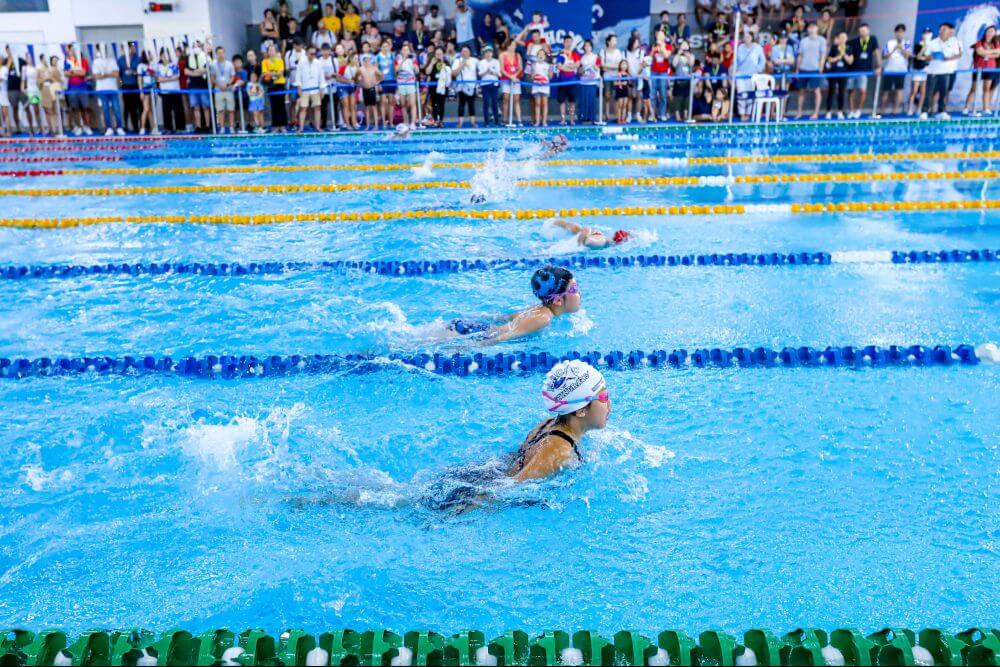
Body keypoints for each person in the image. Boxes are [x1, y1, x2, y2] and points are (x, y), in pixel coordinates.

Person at [417, 360, 610, 515]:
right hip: (470, 496)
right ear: (581, 410)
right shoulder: (559, 450)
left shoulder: (549, 423)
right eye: (603, 397)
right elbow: (511, 490)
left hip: (480, 475)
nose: (609, 404)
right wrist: (458, 513)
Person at [446, 265, 582, 344]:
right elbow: (502, 338)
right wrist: (464, 348)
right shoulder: (543, 318)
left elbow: (507, 317)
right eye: (574, 289)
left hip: (474, 328)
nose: (579, 293)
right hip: (477, 334)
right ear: (558, 300)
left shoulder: (539, 309)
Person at [921, 22, 961, 120]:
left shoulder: (953, 42)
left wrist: (947, 58)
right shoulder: (933, 42)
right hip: (933, 72)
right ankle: (924, 111)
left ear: (949, 31)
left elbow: (957, 54)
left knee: (944, 93)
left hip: (946, 72)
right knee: (929, 93)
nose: (941, 31)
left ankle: (941, 111)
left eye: (944, 29)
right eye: (940, 29)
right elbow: (925, 56)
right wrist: (933, 56)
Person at [846, 24, 880, 119]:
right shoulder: (854, 41)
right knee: (851, 90)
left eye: (864, 31)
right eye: (861, 31)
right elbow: (844, 44)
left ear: (868, 31)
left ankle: (859, 110)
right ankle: (851, 110)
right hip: (853, 70)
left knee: (862, 90)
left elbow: (877, 52)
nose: (862, 33)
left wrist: (878, 66)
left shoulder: (873, 39)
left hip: (865, 70)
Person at [794, 22, 827, 119]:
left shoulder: (821, 40)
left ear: (817, 29)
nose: (812, 29)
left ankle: (816, 113)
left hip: (815, 69)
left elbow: (823, 55)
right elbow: (800, 55)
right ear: (807, 29)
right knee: (801, 91)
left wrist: (820, 68)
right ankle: (799, 112)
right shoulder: (803, 41)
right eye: (810, 28)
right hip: (803, 69)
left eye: (814, 27)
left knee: (817, 91)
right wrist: (797, 69)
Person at [965, 26, 999, 116]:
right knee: (974, 89)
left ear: (995, 33)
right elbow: (980, 52)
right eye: (988, 31)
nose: (990, 33)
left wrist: (986, 52)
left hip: (990, 68)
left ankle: (986, 109)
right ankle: (966, 108)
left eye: (992, 31)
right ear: (985, 32)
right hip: (978, 69)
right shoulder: (979, 43)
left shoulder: (996, 43)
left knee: (986, 88)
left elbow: (998, 54)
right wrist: (992, 52)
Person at [92, 46, 124, 136]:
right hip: (101, 89)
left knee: (117, 109)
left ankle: (119, 127)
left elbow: (116, 74)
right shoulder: (96, 61)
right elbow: (96, 76)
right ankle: (109, 128)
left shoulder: (112, 60)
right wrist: (109, 74)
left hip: (113, 88)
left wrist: (103, 74)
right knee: (105, 109)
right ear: (97, 50)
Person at [881, 24, 911, 116]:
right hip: (889, 70)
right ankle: (882, 111)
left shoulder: (907, 43)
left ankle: (894, 111)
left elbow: (908, 56)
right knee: (885, 91)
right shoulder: (889, 43)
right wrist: (893, 50)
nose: (900, 34)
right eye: (898, 31)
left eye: (902, 32)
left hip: (901, 70)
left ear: (904, 33)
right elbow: (884, 56)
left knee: (899, 90)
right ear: (895, 33)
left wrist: (901, 49)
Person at [735, 31, 765, 120]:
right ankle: (742, 113)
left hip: (752, 75)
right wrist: (735, 70)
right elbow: (736, 60)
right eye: (745, 36)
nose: (746, 38)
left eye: (748, 36)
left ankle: (748, 113)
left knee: (750, 94)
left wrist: (758, 69)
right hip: (741, 74)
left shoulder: (758, 48)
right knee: (741, 94)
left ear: (752, 37)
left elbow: (762, 61)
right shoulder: (740, 47)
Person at [63, 45, 93, 135]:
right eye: (70, 50)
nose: (71, 52)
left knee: (86, 108)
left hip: (82, 87)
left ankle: (87, 126)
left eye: (72, 50)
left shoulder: (82, 60)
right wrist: (76, 71)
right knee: (75, 108)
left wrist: (72, 71)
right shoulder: (67, 60)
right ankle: (78, 127)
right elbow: (66, 73)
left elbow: (83, 73)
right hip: (72, 87)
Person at [156, 49, 185, 133]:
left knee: (178, 110)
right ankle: (168, 128)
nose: (164, 58)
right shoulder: (159, 67)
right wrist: (169, 78)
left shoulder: (174, 65)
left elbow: (176, 77)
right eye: (163, 56)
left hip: (175, 90)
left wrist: (165, 79)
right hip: (165, 92)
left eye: (166, 56)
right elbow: (159, 79)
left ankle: (180, 127)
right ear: (160, 57)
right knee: (166, 111)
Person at [825, 31, 852, 120]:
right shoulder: (834, 48)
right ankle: (828, 111)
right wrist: (838, 57)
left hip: (843, 73)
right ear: (838, 38)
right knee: (831, 91)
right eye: (841, 37)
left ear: (846, 39)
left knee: (842, 92)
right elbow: (829, 60)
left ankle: (840, 111)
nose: (843, 39)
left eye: (844, 37)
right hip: (833, 73)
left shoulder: (849, 48)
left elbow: (850, 61)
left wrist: (843, 53)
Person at [185, 42, 211, 132]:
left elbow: (206, 70)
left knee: (205, 107)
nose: (196, 47)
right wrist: (199, 72)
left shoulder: (206, 57)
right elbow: (186, 72)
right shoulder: (188, 57)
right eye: (194, 46)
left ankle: (207, 126)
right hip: (193, 86)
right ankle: (198, 126)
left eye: (197, 46)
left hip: (203, 85)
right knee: (195, 107)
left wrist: (194, 72)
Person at [262, 44, 289, 131]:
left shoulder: (280, 61)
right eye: (270, 50)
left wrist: (271, 73)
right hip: (271, 85)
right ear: (267, 52)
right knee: (273, 106)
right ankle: (275, 125)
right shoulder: (264, 62)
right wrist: (274, 73)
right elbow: (265, 74)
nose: (271, 52)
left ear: (276, 51)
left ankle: (283, 125)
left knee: (281, 105)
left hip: (280, 84)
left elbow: (280, 73)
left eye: (273, 50)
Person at [551, 219, 630, 249]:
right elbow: (588, 241)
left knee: (578, 229)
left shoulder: (603, 239)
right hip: (587, 236)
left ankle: (554, 222)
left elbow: (587, 240)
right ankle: (555, 222)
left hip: (587, 235)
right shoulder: (603, 240)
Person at [209, 47, 236, 133]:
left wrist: (227, 84)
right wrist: (220, 85)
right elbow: (212, 78)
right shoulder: (213, 65)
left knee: (231, 109)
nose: (221, 54)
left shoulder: (229, 64)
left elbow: (232, 76)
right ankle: (222, 128)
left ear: (224, 53)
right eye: (219, 53)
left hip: (228, 89)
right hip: (218, 89)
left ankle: (231, 127)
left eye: (222, 52)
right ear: (216, 54)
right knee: (220, 109)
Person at [907, 28, 932, 116]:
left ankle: (919, 109)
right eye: (925, 33)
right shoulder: (917, 45)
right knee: (914, 90)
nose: (926, 35)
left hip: (925, 69)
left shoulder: (931, 45)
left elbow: (930, 58)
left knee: (923, 92)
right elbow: (917, 57)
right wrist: (924, 48)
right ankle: (909, 109)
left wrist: (925, 57)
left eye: (928, 33)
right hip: (917, 69)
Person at [452, 45, 478, 128]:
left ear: (470, 52)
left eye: (466, 51)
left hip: (472, 86)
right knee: (461, 105)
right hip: (461, 86)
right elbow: (454, 73)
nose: (465, 53)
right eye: (463, 51)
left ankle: (473, 123)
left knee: (472, 105)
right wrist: (461, 65)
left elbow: (481, 70)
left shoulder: (475, 60)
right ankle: (460, 123)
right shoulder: (457, 61)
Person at [554, 36, 579, 125]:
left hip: (572, 81)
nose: (568, 43)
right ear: (564, 43)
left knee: (572, 102)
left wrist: (566, 66)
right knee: (562, 101)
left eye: (570, 41)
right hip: (562, 81)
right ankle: (563, 119)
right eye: (566, 41)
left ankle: (572, 119)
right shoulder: (561, 54)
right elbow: (559, 66)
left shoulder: (575, 53)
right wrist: (570, 67)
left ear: (572, 42)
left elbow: (577, 65)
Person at [118, 42, 142, 132]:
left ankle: (140, 126)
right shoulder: (121, 60)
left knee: (138, 106)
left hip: (136, 85)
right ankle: (128, 126)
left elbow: (141, 72)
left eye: (132, 47)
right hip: (125, 86)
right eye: (130, 47)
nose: (132, 49)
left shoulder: (138, 59)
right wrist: (121, 86)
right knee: (127, 107)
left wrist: (135, 73)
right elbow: (119, 76)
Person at [39, 55, 65, 136]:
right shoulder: (49, 70)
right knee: (51, 111)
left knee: (58, 110)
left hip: (58, 90)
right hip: (51, 90)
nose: (55, 62)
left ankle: (58, 128)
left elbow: (59, 79)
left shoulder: (57, 69)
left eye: (56, 60)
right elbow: (47, 79)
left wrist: (51, 79)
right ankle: (54, 129)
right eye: (54, 61)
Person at [599, 34, 623, 121]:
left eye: (616, 40)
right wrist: (613, 66)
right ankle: (606, 114)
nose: (615, 42)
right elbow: (602, 65)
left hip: (616, 76)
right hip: (607, 77)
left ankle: (617, 114)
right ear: (608, 42)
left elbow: (619, 65)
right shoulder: (603, 51)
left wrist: (607, 66)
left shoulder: (618, 52)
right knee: (607, 95)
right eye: (613, 40)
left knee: (616, 96)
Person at [500, 38, 523, 125]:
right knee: (506, 99)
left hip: (516, 80)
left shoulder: (518, 55)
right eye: (512, 45)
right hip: (506, 80)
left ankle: (519, 120)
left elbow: (520, 68)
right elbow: (502, 69)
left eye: (514, 45)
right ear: (508, 45)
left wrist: (515, 76)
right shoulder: (502, 55)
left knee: (516, 100)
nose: (513, 46)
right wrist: (510, 77)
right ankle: (504, 120)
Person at [395, 43, 419, 129]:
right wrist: (404, 60)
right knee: (403, 104)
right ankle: (406, 122)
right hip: (401, 83)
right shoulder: (398, 59)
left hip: (410, 83)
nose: (405, 51)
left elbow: (417, 71)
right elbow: (397, 69)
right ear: (401, 51)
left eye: (407, 50)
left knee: (412, 104)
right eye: (404, 50)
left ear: (409, 51)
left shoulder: (413, 58)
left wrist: (413, 63)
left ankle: (413, 123)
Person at [356, 51, 382, 129]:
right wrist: (359, 81)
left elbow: (381, 75)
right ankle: (367, 126)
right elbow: (356, 78)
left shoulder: (374, 68)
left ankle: (376, 126)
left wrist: (378, 82)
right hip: (365, 89)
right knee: (367, 108)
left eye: (368, 60)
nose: (367, 62)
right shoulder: (360, 69)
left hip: (372, 89)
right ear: (363, 61)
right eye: (365, 60)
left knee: (374, 107)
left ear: (370, 60)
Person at [577, 40, 601, 124]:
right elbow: (579, 71)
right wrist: (582, 71)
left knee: (591, 100)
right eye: (585, 46)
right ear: (584, 47)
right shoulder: (582, 57)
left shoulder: (595, 57)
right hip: (583, 82)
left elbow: (598, 68)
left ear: (591, 47)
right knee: (583, 101)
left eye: (589, 46)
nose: (587, 47)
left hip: (592, 82)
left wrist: (594, 67)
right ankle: (583, 118)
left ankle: (592, 118)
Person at [374, 40, 396, 128]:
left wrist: (396, 80)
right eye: (383, 46)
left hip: (391, 81)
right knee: (383, 102)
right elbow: (375, 70)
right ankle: (383, 122)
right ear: (381, 47)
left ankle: (391, 122)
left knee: (391, 102)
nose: (385, 48)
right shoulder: (378, 56)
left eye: (387, 46)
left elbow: (394, 69)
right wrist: (378, 81)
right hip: (382, 81)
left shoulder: (392, 56)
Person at [478, 44, 501, 126]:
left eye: (490, 52)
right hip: (485, 85)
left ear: (492, 53)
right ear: (484, 54)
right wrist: (486, 72)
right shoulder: (481, 62)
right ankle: (486, 121)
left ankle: (497, 121)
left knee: (495, 102)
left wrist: (491, 72)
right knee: (486, 103)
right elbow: (480, 74)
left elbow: (499, 73)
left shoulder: (496, 62)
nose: (488, 54)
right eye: (486, 52)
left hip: (494, 84)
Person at [19, 53, 41, 135]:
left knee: (36, 110)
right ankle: (31, 128)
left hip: (36, 90)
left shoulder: (36, 67)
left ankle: (39, 127)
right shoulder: (24, 68)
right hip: (30, 90)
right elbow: (23, 80)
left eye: (30, 57)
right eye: (27, 57)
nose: (29, 59)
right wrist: (22, 89)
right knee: (28, 109)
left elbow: (39, 79)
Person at [531, 50, 552, 126]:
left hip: (545, 86)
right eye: (539, 54)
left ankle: (544, 121)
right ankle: (537, 121)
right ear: (537, 56)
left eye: (542, 54)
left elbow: (550, 76)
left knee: (544, 104)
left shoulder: (548, 65)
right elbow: (532, 77)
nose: (541, 56)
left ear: (545, 56)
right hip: (536, 86)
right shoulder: (534, 65)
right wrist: (535, 74)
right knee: (537, 104)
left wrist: (550, 70)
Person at [613, 59, 631, 124]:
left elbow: (630, 84)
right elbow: (615, 83)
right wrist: (621, 84)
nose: (624, 66)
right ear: (620, 66)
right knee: (620, 106)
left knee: (624, 106)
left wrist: (628, 82)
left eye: (625, 64)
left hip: (625, 91)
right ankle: (619, 119)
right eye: (622, 64)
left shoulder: (628, 74)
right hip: (620, 91)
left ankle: (623, 119)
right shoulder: (618, 74)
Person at [0, 54, 10, 137]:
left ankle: (8, 131)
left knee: (5, 113)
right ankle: (2, 131)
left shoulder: (4, 69)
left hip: (3, 93)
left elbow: (2, 79)